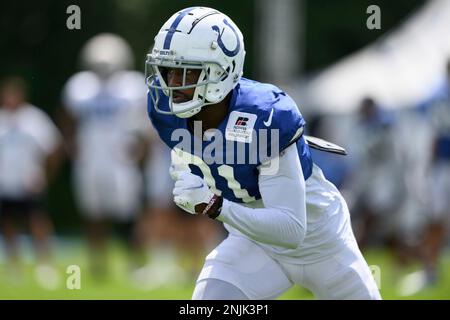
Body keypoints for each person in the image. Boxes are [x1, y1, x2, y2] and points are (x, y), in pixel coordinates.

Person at [146, 7, 381, 300]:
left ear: (222, 71)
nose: (173, 84)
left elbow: (291, 229)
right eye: (168, 71)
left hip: (320, 241)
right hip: (255, 242)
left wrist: (213, 206)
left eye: (186, 71)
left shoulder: (264, 115)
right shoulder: (165, 110)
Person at [61, 33, 148, 278]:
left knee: (129, 213)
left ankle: (136, 263)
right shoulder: (80, 86)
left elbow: (145, 121)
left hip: (121, 161)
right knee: (92, 214)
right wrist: (73, 147)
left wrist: (140, 151)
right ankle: (98, 265)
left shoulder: (132, 86)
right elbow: (67, 118)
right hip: (91, 161)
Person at [0, 77, 63, 285]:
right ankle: (13, 266)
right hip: (5, 183)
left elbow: (54, 148)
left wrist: (45, 176)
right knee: (8, 225)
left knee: (38, 222)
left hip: (29, 183)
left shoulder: (34, 119)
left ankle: (45, 265)